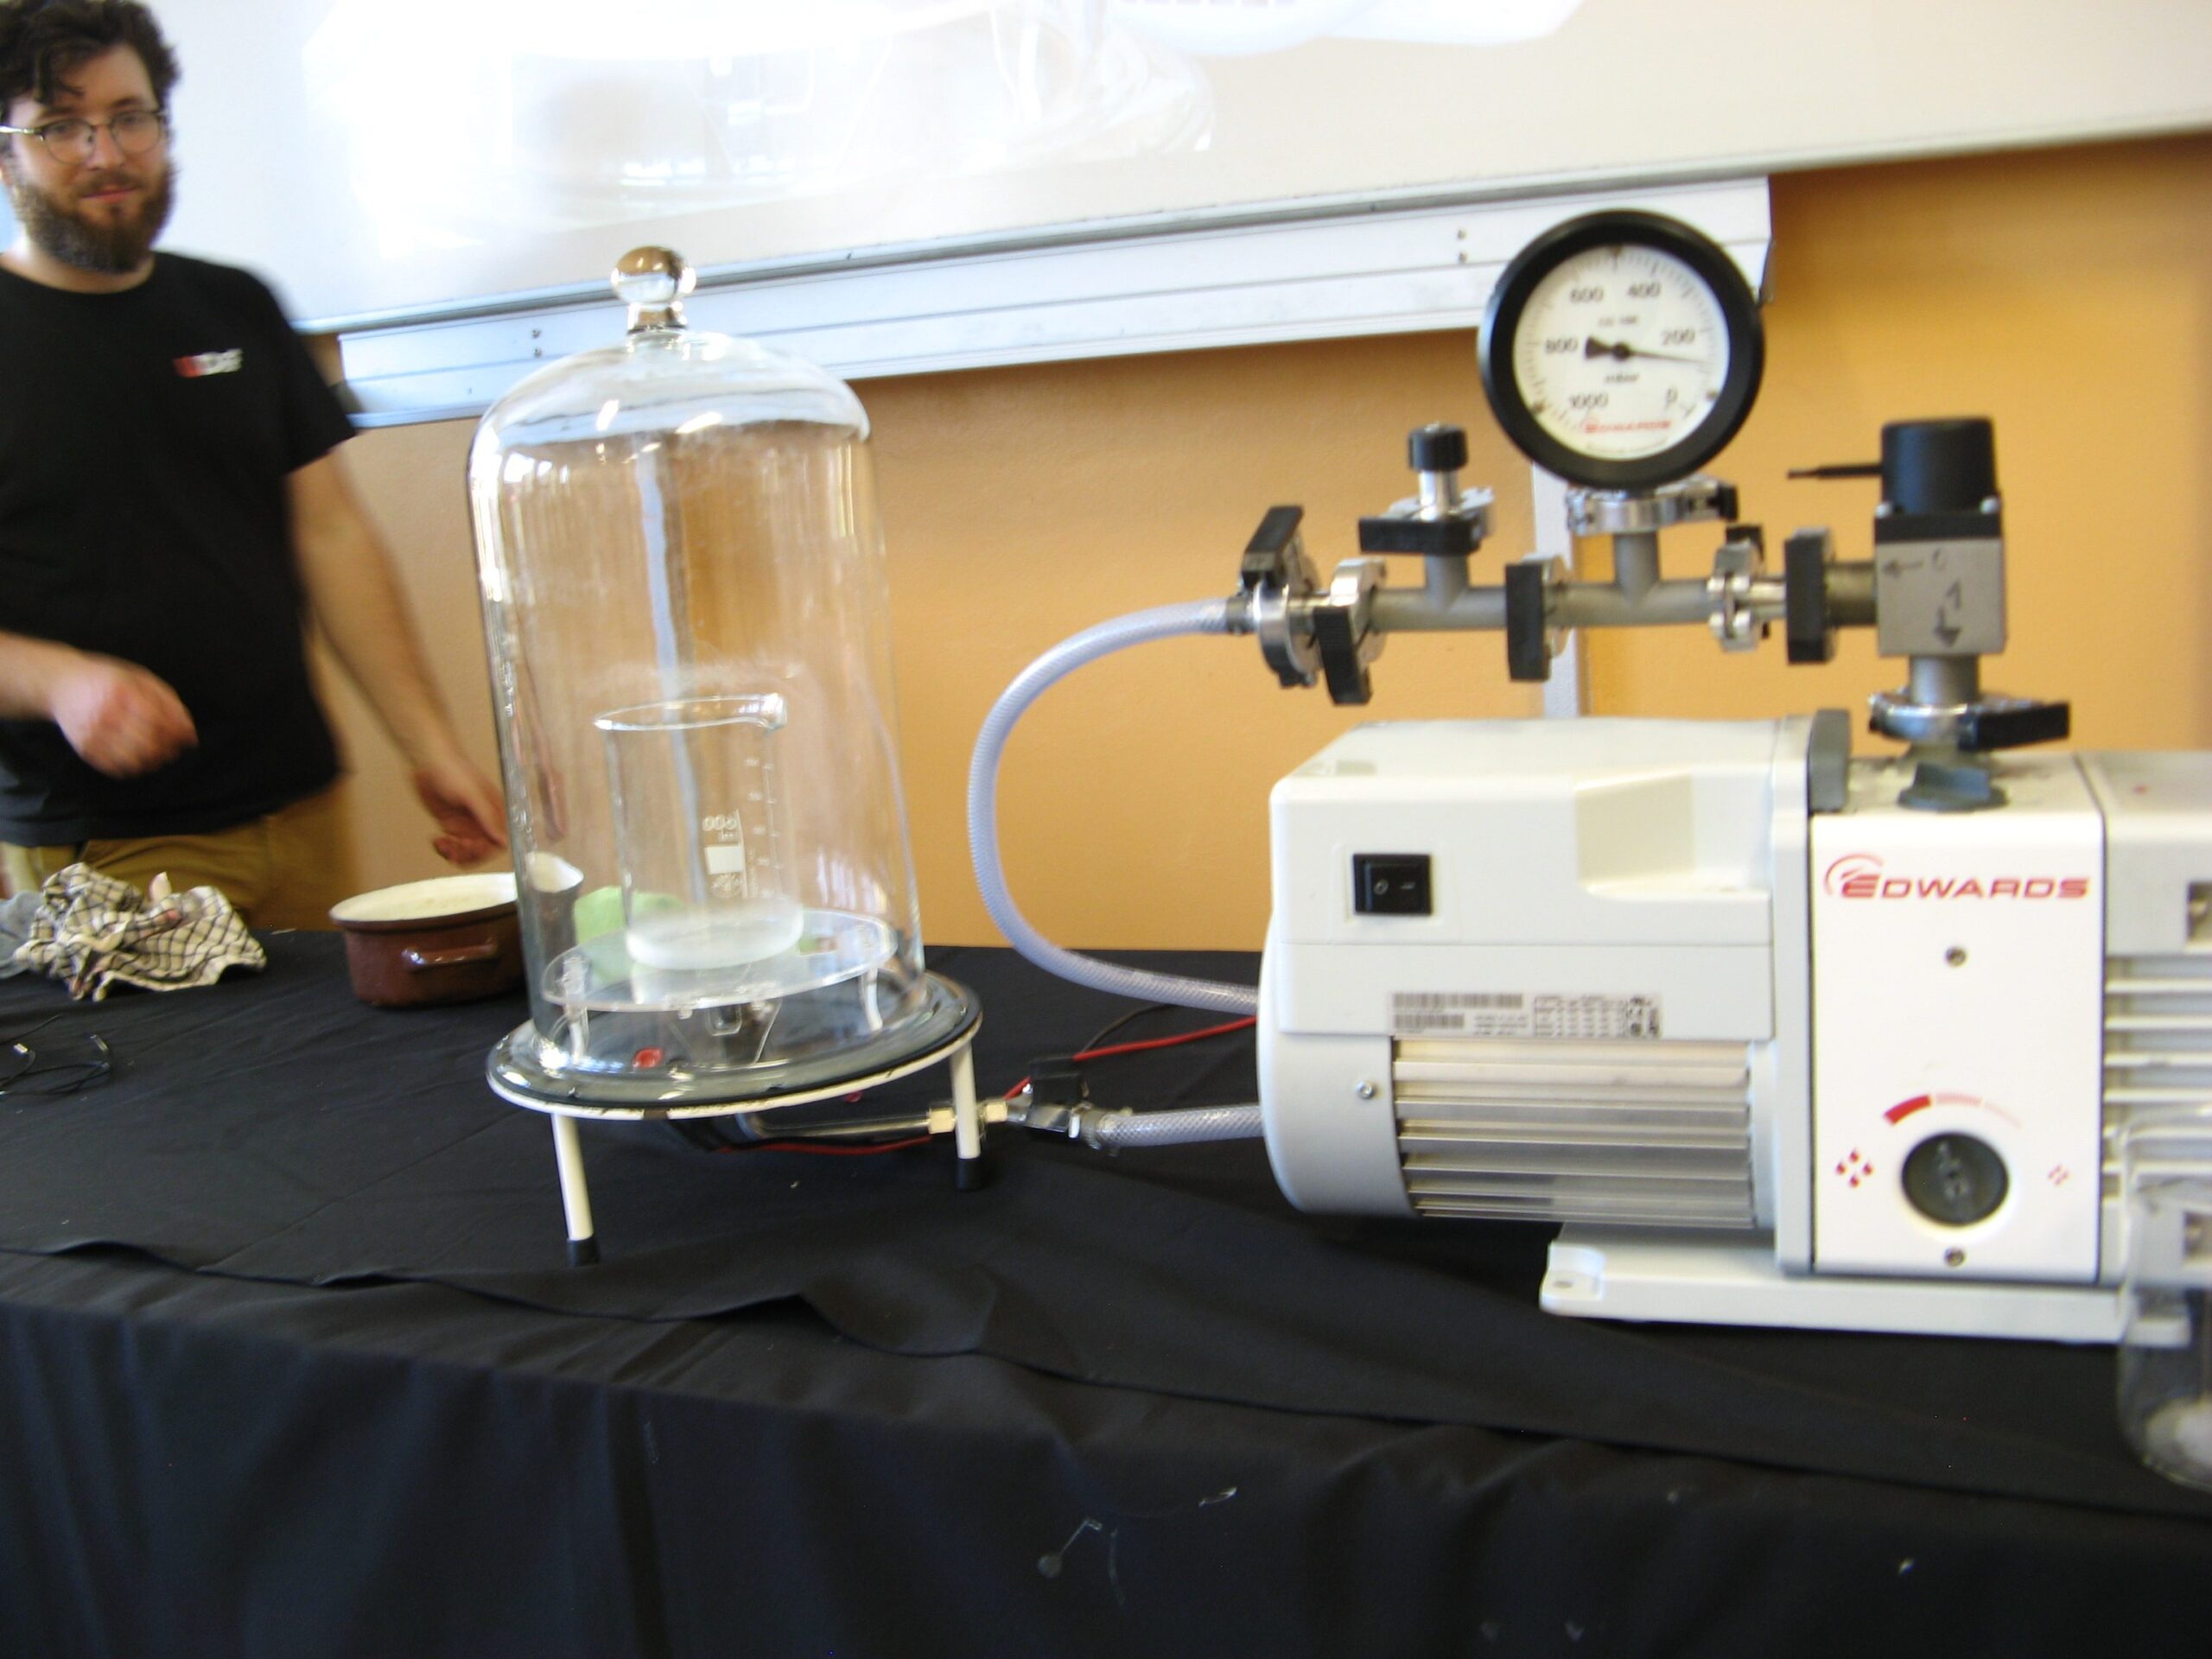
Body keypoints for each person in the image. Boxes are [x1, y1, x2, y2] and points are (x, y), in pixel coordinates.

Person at [0, 0, 504, 929]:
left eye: (130, 117)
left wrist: (430, 745)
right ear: (6, 155)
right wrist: (60, 680)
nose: (107, 154)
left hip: (299, 812)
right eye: (61, 127)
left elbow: (332, 537)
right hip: (105, 845)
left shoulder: (234, 306)